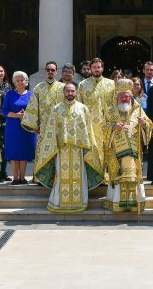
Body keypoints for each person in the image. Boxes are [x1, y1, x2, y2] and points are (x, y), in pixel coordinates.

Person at [34, 83, 104, 213]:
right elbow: (51, 130)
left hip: (79, 150)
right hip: (62, 150)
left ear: (76, 92)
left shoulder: (83, 109)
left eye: (72, 91)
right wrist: (52, 149)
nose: (70, 94)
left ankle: (80, 203)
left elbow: (89, 131)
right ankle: (59, 202)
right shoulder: (56, 109)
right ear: (63, 92)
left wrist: (88, 149)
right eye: (67, 91)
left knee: (80, 176)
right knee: (61, 176)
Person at [103, 79, 153, 212]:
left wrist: (144, 125)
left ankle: (133, 204)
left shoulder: (138, 108)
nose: (124, 98)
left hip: (134, 151)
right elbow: (102, 127)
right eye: (122, 96)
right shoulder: (111, 110)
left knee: (132, 177)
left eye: (127, 96)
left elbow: (149, 125)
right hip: (117, 151)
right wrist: (113, 127)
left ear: (131, 96)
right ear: (117, 96)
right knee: (119, 177)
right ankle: (117, 203)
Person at [21, 61, 65, 184]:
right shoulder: (38, 88)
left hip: (58, 127)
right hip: (43, 127)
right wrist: (34, 125)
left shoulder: (63, 88)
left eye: (52, 70)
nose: (50, 72)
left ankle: (57, 178)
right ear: (45, 72)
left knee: (57, 153)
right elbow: (33, 107)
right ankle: (40, 178)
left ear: (56, 72)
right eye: (48, 70)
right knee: (42, 152)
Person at [78, 57, 115, 180]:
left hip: (106, 125)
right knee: (91, 151)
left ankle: (105, 177)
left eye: (98, 67)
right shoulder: (83, 85)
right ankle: (91, 178)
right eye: (94, 67)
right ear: (90, 69)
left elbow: (115, 104)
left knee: (107, 151)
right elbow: (78, 106)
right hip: (89, 126)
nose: (96, 69)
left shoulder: (111, 84)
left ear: (102, 68)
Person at [2, 71, 36, 185]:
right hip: (13, 127)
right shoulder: (10, 94)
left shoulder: (31, 95)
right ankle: (15, 178)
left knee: (24, 152)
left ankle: (22, 177)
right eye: (18, 80)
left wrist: (26, 114)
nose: (20, 82)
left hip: (26, 128)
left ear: (27, 82)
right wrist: (17, 115)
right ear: (14, 82)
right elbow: (4, 111)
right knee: (14, 152)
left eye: (22, 80)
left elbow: (35, 111)